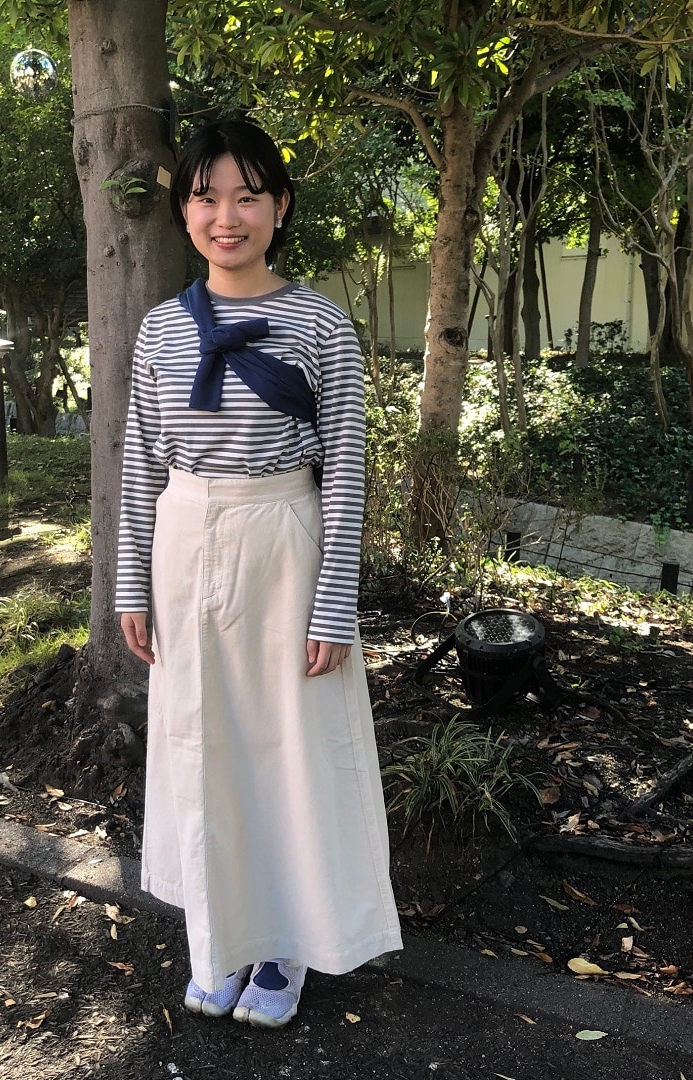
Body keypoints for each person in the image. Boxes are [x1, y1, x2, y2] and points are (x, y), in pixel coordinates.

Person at [116, 119, 401, 1030]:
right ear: (183, 212)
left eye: (247, 197)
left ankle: (286, 943)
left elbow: (346, 467)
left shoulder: (320, 322)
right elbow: (139, 463)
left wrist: (334, 605)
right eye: (206, 197)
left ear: (280, 207)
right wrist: (131, 584)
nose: (226, 217)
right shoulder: (161, 330)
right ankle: (222, 937)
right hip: (183, 538)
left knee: (288, 748)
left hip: (284, 543)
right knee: (203, 747)